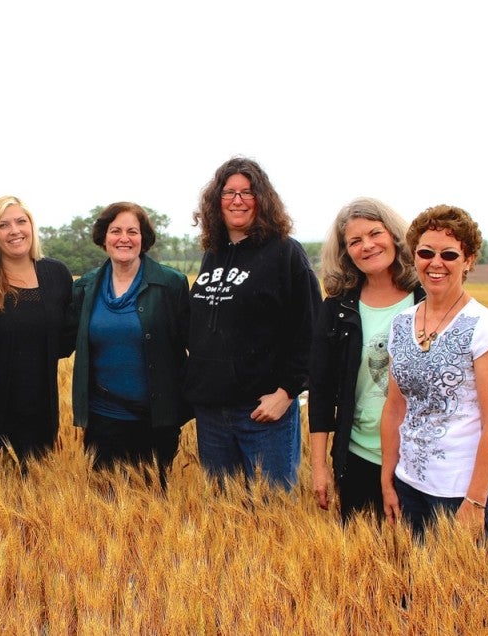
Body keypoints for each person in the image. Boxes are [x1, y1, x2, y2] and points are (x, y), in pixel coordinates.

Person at [185, 157, 321, 490]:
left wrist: (287, 393)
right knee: (223, 520)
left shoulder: (286, 253)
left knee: (271, 520)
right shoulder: (213, 254)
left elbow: (311, 329)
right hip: (213, 415)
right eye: (229, 192)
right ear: (217, 202)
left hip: (263, 415)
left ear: (262, 199)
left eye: (247, 192)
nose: (237, 200)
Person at [381, 205, 488, 540]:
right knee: (409, 589)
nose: (435, 263)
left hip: (460, 491)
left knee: (457, 592)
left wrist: (475, 501)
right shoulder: (401, 324)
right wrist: (388, 479)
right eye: (426, 252)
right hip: (409, 483)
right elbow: (395, 408)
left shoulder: (485, 328)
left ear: (468, 260)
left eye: (449, 254)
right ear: (414, 257)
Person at [309, 198, 423, 522]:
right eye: (355, 241)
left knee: (421, 566)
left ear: (395, 236)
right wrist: (319, 468)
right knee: (365, 569)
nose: (367, 246)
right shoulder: (336, 309)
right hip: (358, 458)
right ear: (346, 253)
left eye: (375, 233)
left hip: (420, 462)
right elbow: (320, 393)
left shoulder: (426, 299)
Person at [71, 202, 190, 486]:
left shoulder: (170, 285)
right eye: (116, 231)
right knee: (105, 512)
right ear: (104, 238)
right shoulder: (86, 287)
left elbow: (194, 344)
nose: (124, 238)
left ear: (143, 238)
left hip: (156, 421)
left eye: (132, 231)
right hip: (103, 421)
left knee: (153, 509)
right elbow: (63, 339)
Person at [0, 195, 75, 463]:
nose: (15, 231)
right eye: (3, 225)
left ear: (31, 226)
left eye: (21, 221)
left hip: (39, 407)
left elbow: (67, 339)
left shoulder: (57, 275)